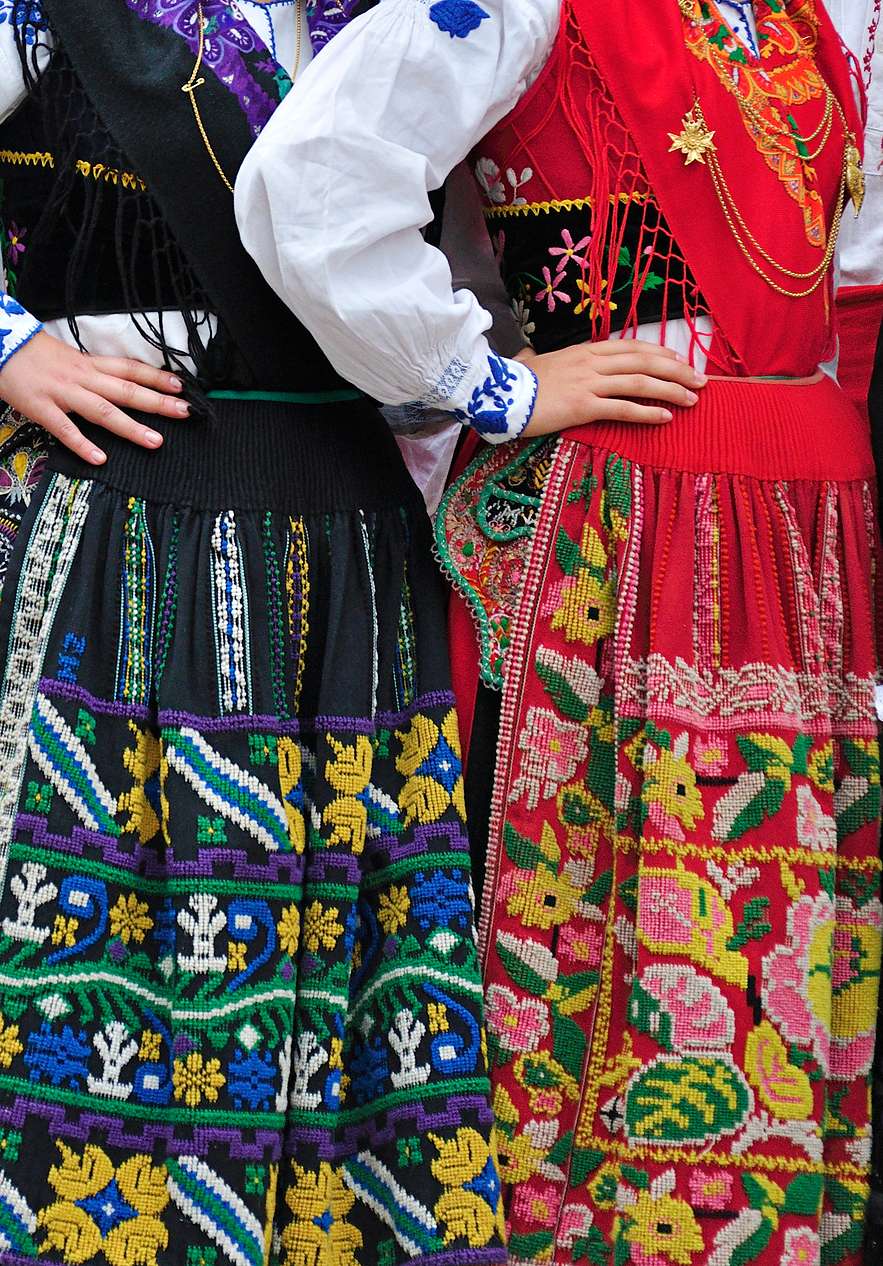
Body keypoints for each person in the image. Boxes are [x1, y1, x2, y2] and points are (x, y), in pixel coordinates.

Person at [236, 2, 883, 1263]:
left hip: (808, 523)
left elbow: (849, 276)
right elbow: (315, 179)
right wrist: (494, 382)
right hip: (644, 525)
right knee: (630, 948)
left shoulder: (811, 14)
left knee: (803, 953)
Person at [0, 3, 511, 1263]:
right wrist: (8, 349)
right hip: (132, 526)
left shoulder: (396, 22)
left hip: (351, 541)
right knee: (113, 936)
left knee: (348, 954)